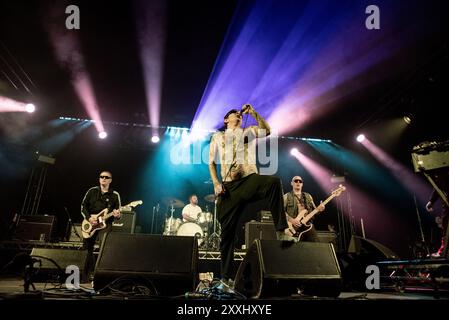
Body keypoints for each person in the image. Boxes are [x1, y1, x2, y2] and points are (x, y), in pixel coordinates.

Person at [209, 104, 294, 287]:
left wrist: (253, 112)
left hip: (248, 180)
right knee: (227, 235)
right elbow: (211, 163)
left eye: (239, 114)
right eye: (234, 114)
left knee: (273, 183)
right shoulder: (218, 137)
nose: (238, 115)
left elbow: (267, 130)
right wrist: (216, 183)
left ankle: (281, 230)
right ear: (226, 120)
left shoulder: (247, 132)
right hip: (228, 189)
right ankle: (225, 278)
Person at [81, 170, 121, 280]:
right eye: (101, 176)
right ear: (99, 179)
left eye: (106, 177)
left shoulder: (115, 195)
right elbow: (83, 206)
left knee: (105, 248)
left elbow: (118, 213)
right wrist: (89, 218)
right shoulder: (92, 191)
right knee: (87, 249)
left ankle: (101, 276)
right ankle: (85, 276)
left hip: (105, 224)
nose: (103, 178)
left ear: (110, 180)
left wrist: (117, 215)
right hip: (90, 223)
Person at [283, 176, 325, 242]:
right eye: (296, 181)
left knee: (316, 246)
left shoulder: (308, 196)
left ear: (302, 184)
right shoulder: (286, 196)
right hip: (294, 227)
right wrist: (291, 220)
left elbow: (315, 210)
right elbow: (281, 212)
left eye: (300, 181)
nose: (298, 182)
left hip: (307, 225)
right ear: (292, 183)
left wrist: (320, 209)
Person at [425, 170, 449, 258]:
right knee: (445, 225)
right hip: (446, 203)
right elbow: (439, 185)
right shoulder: (441, 175)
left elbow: (440, 183)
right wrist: (431, 201)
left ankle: (443, 251)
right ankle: (443, 250)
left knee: (446, 225)